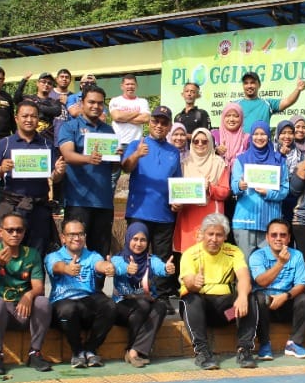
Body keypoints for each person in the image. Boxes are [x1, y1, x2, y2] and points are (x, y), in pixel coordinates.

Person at [178, 213, 257, 370]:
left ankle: (244, 350)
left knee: (250, 296)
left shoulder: (234, 252)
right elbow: (187, 281)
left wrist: (242, 296)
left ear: (225, 237)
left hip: (227, 315)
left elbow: (243, 277)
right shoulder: (189, 254)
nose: (214, 239)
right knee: (191, 299)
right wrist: (194, 283)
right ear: (202, 234)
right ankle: (202, 353)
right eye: (210, 234)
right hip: (202, 314)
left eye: (219, 235)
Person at [0, 212, 52, 375]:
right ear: (0, 232)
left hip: (21, 311)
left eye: (19, 230)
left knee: (43, 302)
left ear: (24, 232)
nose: (15, 234)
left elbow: (38, 286)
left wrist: (28, 295)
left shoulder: (32, 254)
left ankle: (35, 353)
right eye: (10, 230)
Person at [0, 101, 64, 255]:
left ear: (38, 120)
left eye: (33, 116)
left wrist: (59, 172)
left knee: (37, 256)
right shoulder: (4, 144)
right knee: (4, 255)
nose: (29, 120)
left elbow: (54, 177)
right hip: (11, 206)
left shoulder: (47, 144)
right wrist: (1, 169)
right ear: (16, 118)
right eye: (25, 116)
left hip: (39, 207)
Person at [122, 106, 182, 300]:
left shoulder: (174, 151)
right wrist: (136, 155)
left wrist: (176, 202)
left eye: (164, 123)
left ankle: (161, 297)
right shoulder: (136, 143)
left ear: (169, 126)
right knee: (134, 254)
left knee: (162, 257)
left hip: (164, 214)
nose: (159, 125)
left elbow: (177, 182)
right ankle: (130, 293)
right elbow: (126, 167)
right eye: (156, 121)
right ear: (149, 123)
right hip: (139, 211)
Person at [59, 85, 120, 265]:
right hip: (78, 200)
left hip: (103, 200)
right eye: (91, 102)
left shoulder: (108, 130)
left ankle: (96, 291)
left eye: (100, 103)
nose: (96, 106)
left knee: (100, 249)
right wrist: (88, 158)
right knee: (74, 248)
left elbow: (114, 167)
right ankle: (73, 290)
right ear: (82, 103)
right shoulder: (70, 126)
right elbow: (67, 154)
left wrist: (117, 157)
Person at [46, 219, 118, 368]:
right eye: (72, 234)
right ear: (63, 238)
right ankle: (77, 351)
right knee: (68, 309)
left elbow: (99, 264)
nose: (77, 238)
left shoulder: (92, 255)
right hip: (62, 304)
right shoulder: (53, 256)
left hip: (88, 302)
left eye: (80, 234)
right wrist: (66, 269)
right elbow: (56, 266)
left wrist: (108, 267)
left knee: (109, 306)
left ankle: (91, 350)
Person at [110, 222, 173, 367]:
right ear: (128, 239)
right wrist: (127, 268)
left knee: (161, 307)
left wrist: (167, 268)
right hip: (122, 306)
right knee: (143, 306)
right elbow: (116, 267)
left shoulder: (151, 260)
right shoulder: (118, 259)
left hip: (143, 304)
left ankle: (134, 351)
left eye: (143, 240)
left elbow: (160, 267)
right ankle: (132, 349)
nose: (139, 243)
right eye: (135, 239)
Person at [248, 219, 305, 360]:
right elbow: (262, 281)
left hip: (286, 301)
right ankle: (265, 345)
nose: (278, 238)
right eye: (274, 235)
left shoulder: (297, 255)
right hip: (265, 305)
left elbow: (301, 284)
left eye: (283, 235)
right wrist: (280, 263)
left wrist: (286, 296)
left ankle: (294, 344)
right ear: (267, 237)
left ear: (289, 238)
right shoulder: (257, 256)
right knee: (258, 298)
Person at [230, 120, 289, 254]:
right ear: (251, 136)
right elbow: (233, 186)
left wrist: (268, 192)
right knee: (245, 266)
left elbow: (285, 190)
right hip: (245, 221)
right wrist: (240, 186)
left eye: (263, 134)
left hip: (270, 222)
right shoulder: (241, 160)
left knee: (268, 267)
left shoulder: (279, 160)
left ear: (268, 136)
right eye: (256, 134)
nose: (259, 137)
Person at [173, 128, 231, 254]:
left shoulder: (219, 163)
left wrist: (210, 187)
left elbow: (225, 191)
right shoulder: (184, 164)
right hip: (189, 215)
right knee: (190, 255)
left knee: (211, 253)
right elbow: (176, 190)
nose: (200, 144)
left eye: (204, 142)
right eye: (196, 141)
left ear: (210, 143)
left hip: (211, 215)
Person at [237, 71, 305, 133]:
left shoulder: (267, 103)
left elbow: (288, 101)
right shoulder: (234, 105)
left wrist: (298, 89)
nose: (249, 86)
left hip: (261, 145)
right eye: (246, 83)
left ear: (259, 85)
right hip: (240, 146)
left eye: (252, 83)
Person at [13, 71, 64, 144]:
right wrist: (24, 80)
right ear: (37, 83)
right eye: (43, 82)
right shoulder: (28, 97)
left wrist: (34, 105)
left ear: (52, 87)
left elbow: (56, 111)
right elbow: (16, 99)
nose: (46, 84)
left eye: (49, 83)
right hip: (27, 139)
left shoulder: (54, 101)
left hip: (46, 140)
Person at [109, 74, 151, 149]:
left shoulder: (143, 101)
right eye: (127, 84)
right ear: (122, 86)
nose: (130, 86)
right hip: (118, 143)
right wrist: (137, 113)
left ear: (136, 86)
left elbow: (146, 119)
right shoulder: (115, 100)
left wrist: (123, 118)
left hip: (136, 143)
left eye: (132, 84)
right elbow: (117, 116)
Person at [274, 119, 301, 222]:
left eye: (290, 133)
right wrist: (280, 155)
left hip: (293, 199)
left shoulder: (300, 154)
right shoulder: (270, 152)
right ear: (277, 134)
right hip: (274, 198)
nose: (287, 136)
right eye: (283, 133)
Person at [212, 102, 249, 168]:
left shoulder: (247, 139)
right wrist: (215, 150)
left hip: (240, 176)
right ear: (223, 117)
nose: (231, 119)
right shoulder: (213, 135)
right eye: (228, 115)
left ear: (241, 119)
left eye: (235, 116)